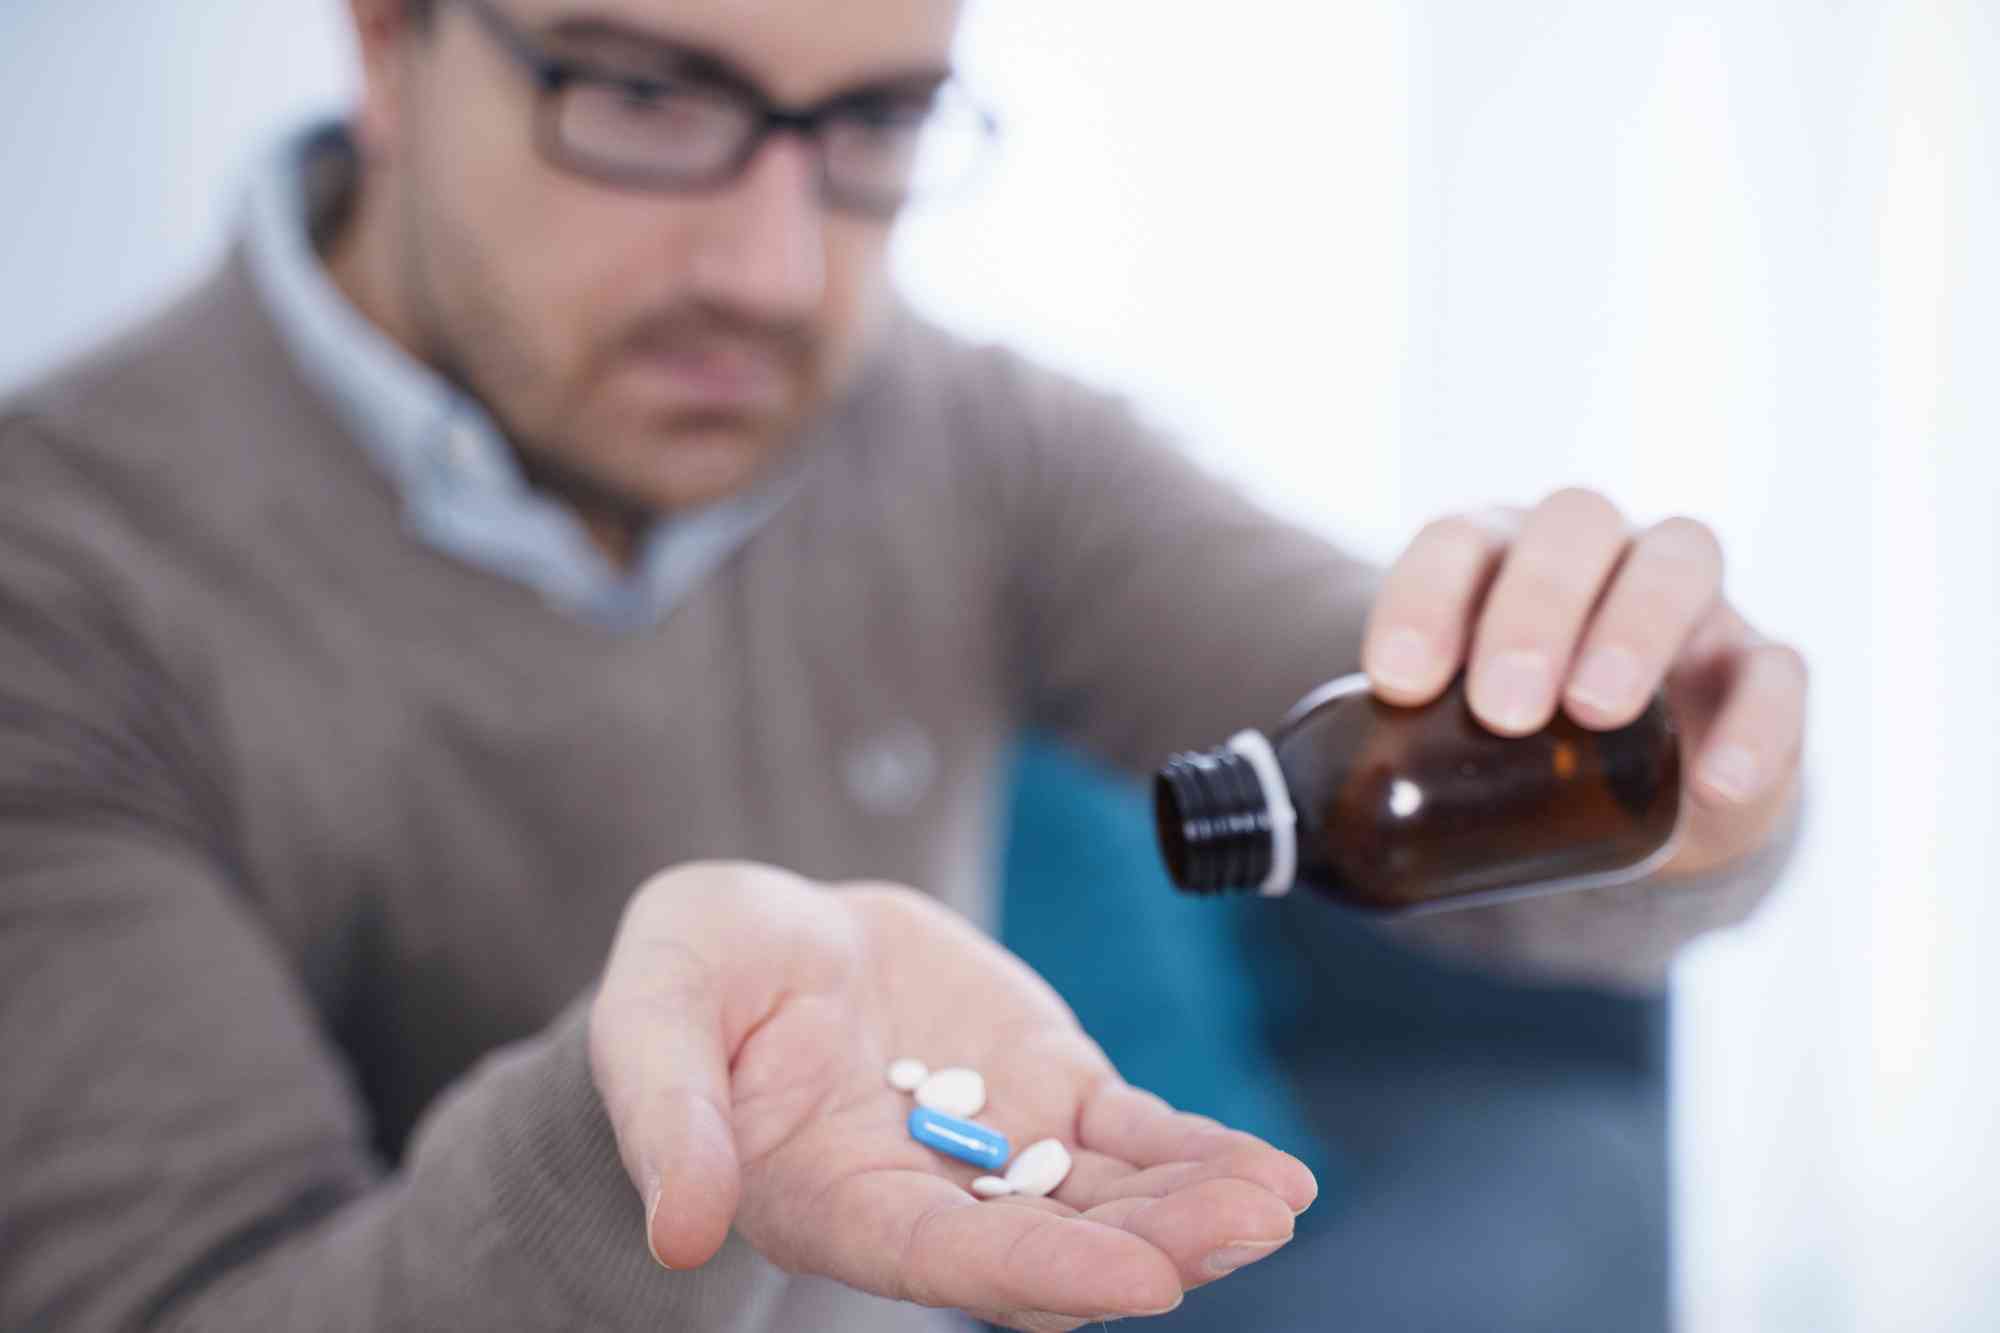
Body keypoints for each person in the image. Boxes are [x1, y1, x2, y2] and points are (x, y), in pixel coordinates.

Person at [0, 0, 1809, 1329]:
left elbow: (1444, 747)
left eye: (875, 121)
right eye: (645, 95)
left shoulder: (957, 437)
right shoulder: (52, 587)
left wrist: (1677, 765)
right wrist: (653, 1132)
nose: (776, 271)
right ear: (389, 44)